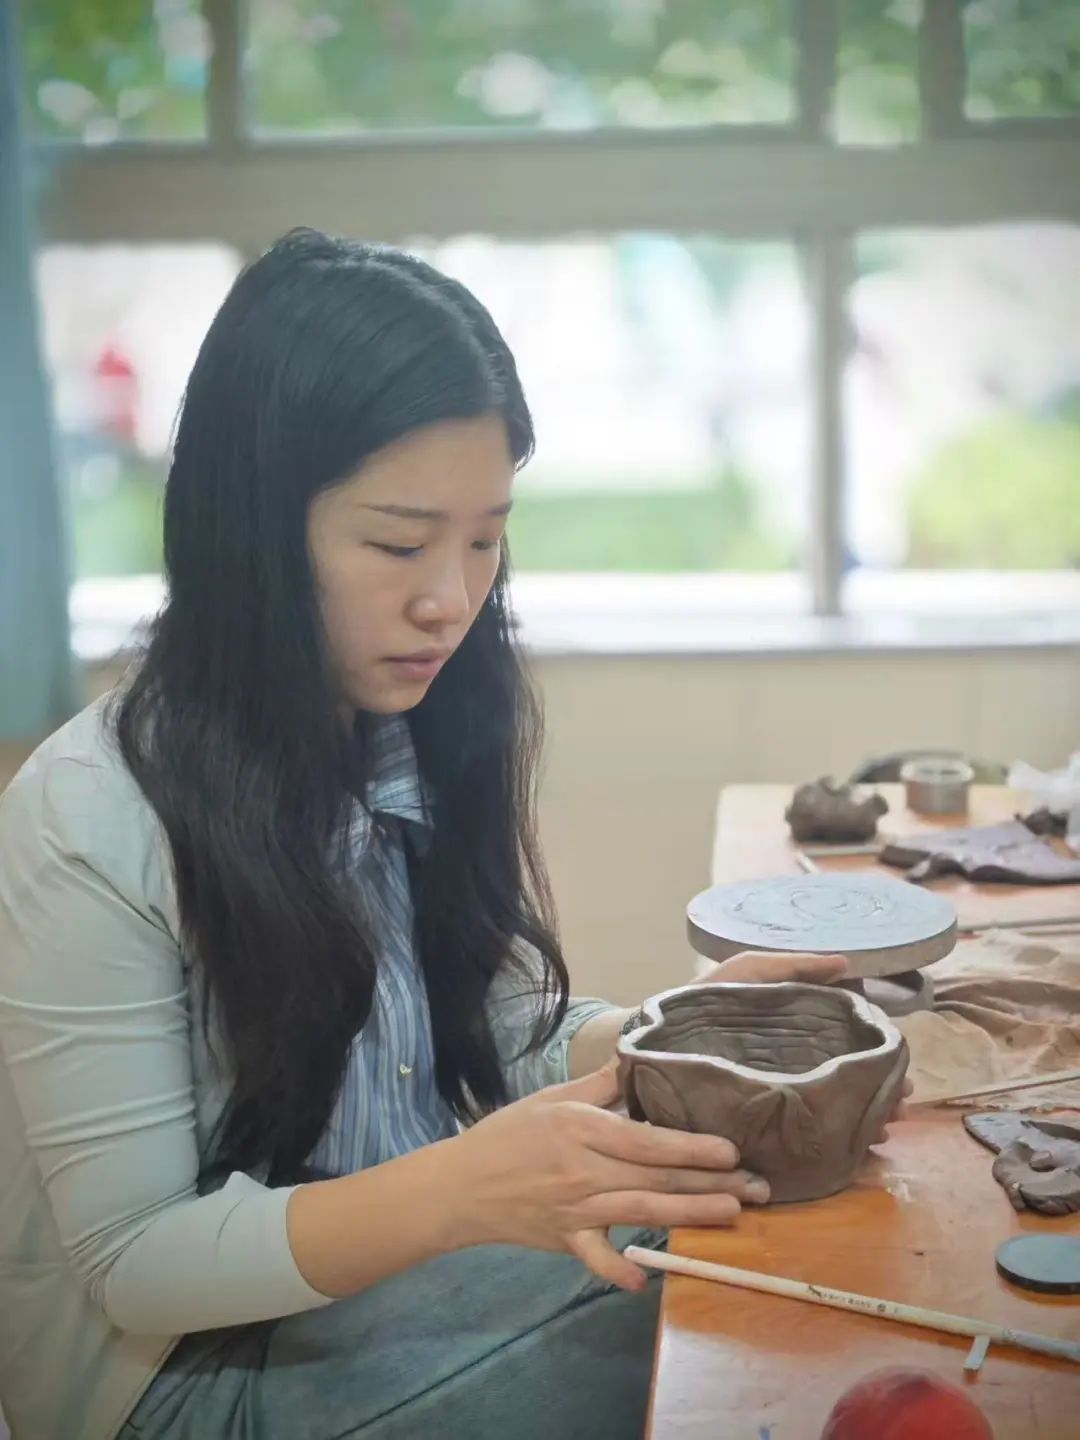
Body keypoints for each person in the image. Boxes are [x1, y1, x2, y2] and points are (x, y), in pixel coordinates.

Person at [0, 229, 879, 1440]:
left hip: (385, 1287)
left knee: (752, 1223)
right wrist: (463, 1189)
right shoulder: (93, 809)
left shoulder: (403, 723)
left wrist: (679, 1036)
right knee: (722, 1305)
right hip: (179, 1377)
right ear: (251, 529)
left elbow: (495, 1028)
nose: (451, 600)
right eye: (399, 543)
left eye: (485, 538)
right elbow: (137, 1262)